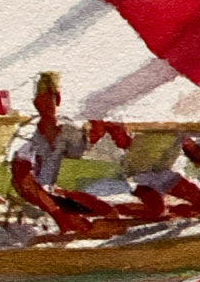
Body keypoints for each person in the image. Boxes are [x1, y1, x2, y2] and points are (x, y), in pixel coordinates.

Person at [9, 73, 134, 236]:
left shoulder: (66, 129)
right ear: (35, 103)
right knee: (80, 224)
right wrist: (56, 212)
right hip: (29, 195)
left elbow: (82, 146)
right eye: (41, 101)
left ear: (57, 100)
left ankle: (74, 221)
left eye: (49, 100)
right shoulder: (27, 132)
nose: (45, 106)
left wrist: (102, 125)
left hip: (51, 192)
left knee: (109, 213)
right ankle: (65, 222)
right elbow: (22, 179)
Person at [122, 130, 200, 220]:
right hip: (139, 177)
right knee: (156, 212)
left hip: (162, 174)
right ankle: (116, 210)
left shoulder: (179, 130)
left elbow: (198, 156)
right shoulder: (152, 126)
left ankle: (173, 210)